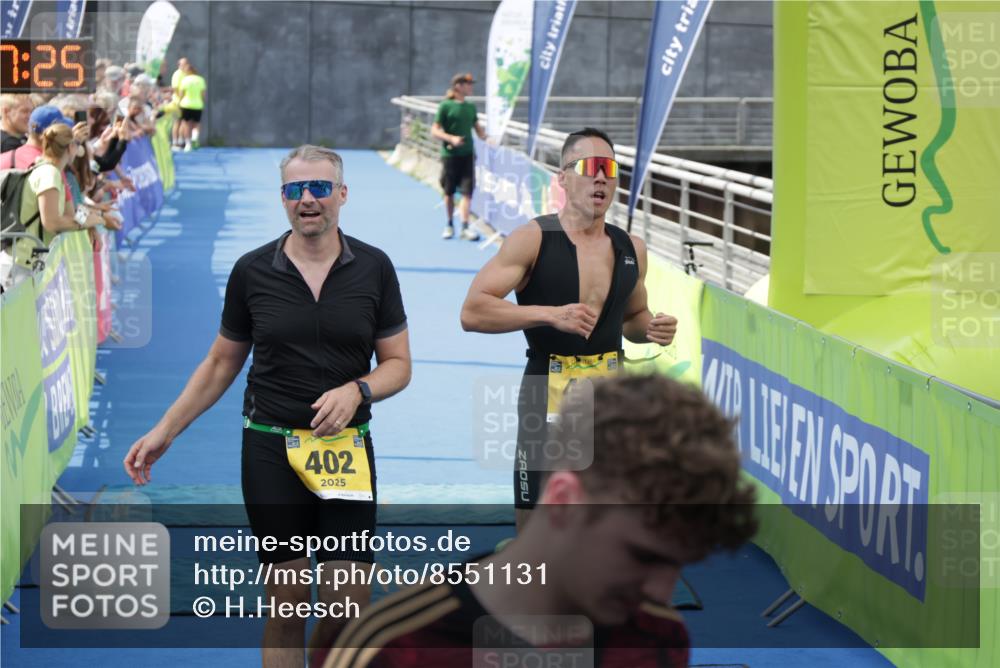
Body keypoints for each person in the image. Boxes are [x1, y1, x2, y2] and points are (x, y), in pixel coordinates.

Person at [123, 145, 412, 668]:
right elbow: (219, 363)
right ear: (282, 199)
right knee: (287, 602)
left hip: (344, 450)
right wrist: (165, 430)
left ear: (342, 195)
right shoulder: (252, 270)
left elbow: (398, 365)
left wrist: (358, 391)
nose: (307, 199)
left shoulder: (375, 268)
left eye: (319, 188)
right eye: (294, 190)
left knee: (349, 604)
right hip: (271, 449)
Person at [317, 374, 758, 668]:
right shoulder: (391, 648)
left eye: (680, 563)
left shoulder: (658, 636)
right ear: (565, 500)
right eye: (642, 556)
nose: (661, 591)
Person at [460, 127, 679, 526]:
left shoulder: (632, 247)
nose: (601, 177)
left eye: (609, 168)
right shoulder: (533, 238)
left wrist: (652, 328)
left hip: (610, 392)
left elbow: (632, 318)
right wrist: (548, 314)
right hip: (547, 387)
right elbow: (473, 311)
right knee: (535, 520)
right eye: (590, 167)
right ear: (563, 177)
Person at [430, 72, 486, 241]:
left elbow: (478, 129)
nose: (471, 87)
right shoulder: (445, 106)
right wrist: (451, 139)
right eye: (468, 84)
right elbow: (434, 130)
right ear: (458, 86)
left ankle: (465, 226)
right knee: (449, 192)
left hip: (468, 155)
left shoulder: (470, 107)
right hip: (450, 156)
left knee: (467, 193)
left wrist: (489, 138)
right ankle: (449, 224)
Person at [176, 60, 206, 151]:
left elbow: (181, 94)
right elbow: (203, 94)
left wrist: (179, 103)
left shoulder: (185, 80)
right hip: (197, 105)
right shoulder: (201, 80)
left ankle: (188, 144)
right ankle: (194, 138)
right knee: (196, 124)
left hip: (186, 104)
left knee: (186, 124)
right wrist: (201, 102)